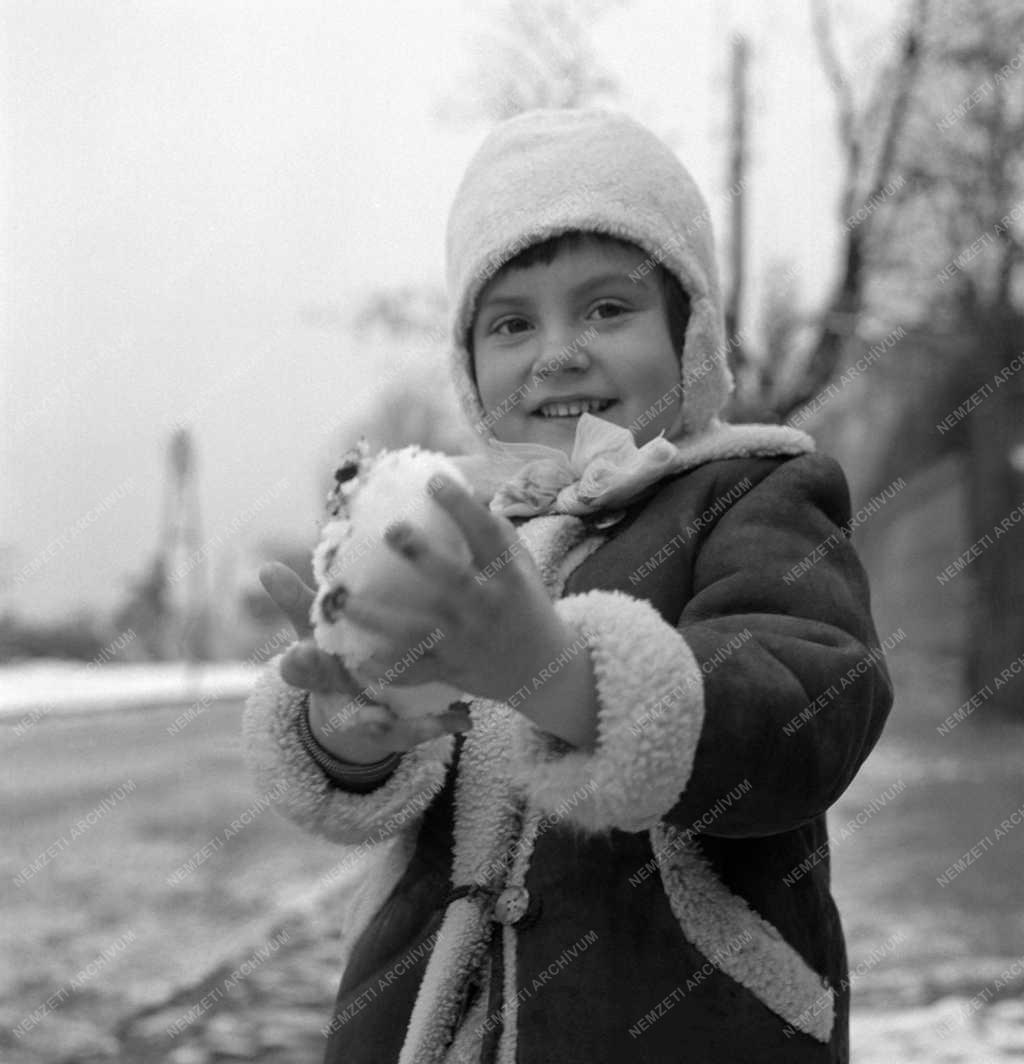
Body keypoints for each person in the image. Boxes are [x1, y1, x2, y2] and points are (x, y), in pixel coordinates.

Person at [243, 107, 893, 1063]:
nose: (556, 352)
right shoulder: (450, 525)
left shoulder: (754, 492)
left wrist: (567, 678)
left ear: (692, 334)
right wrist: (356, 732)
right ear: (470, 367)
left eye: (606, 308)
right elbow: (392, 762)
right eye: (512, 323)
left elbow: (805, 709)